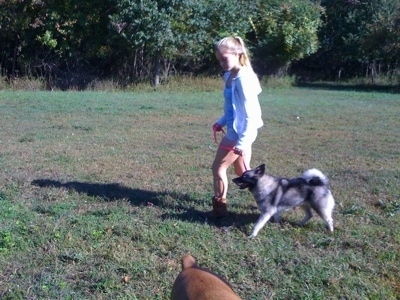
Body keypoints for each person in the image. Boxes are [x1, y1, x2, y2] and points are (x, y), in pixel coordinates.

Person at [211, 36, 263, 218]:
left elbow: (250, 115)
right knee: (242, 172)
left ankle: (219, 209)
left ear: (237, 53)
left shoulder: (243, 79)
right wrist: (221, 121)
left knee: (218, 168)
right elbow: (233, 109)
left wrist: (241, 142)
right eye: (219, 60)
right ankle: (266, 199)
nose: (222, 63)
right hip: (237, 131)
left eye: (224, 58)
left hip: (240, 134)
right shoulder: (229, 76)